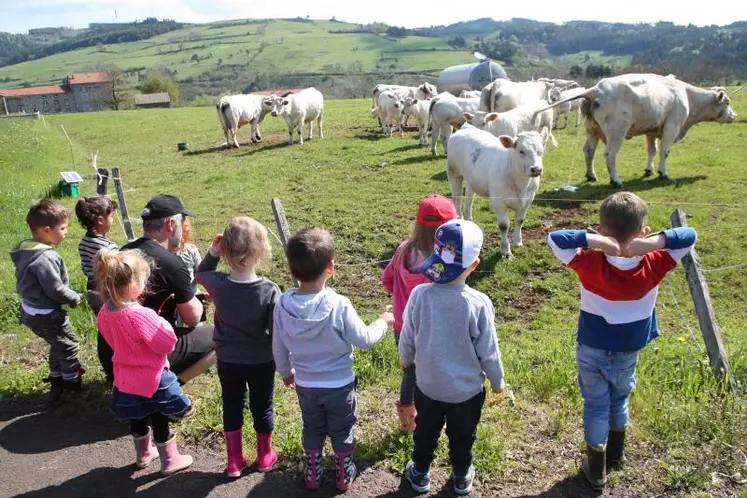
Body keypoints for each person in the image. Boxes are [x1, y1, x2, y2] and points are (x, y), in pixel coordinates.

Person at [547, 191, 697, 490]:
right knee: (619, 399)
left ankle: (597, 467)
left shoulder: (589, 261)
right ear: (643, 230)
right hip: (629, 349)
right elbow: (689, 235)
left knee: (596, 406)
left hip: (591, 346)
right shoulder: (656, 261)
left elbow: (556, 238)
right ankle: (616, 454)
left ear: (601, 229)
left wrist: (599, 242)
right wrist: (651, 243)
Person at [272, 227, 394, 492]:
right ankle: (343, 471)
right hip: (340, 384)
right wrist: (383, 322)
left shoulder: (282, 305)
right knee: (342, 429)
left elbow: (278, 346)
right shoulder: (339, 304)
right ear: (331, 267)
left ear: (292, 270)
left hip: (306, 384)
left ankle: (313, 472)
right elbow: (364, 339)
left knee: (312, 427)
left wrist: (285, 372)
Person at [399, 219, 506, 496]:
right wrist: (497, 381)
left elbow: (408, 334)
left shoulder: (419, 295)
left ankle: (420, 473)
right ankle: (461, 476)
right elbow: (489, 350)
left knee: (426, 432)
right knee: (462, 435)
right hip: (466, 392)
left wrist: (406, 357)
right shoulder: (478, 304)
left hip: (429, 386)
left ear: (436, 255)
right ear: (475, 264)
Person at [94, 248, 194, 476]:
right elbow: (167, 344)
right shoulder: (141, 315)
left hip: (124, 377)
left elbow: (110, 337)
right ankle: (170, 460)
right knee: (159, 416)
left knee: (137, 416)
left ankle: (144, 453)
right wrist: (164, 323)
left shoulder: (104, 312)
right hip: (153, 378)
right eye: (141, 279)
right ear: (131, 286)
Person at [196, 217, 281, 478]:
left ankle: (234, 461)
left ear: (225, 251)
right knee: (262, 406)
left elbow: (200, 273)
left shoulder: (218, 283)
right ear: (263, 250)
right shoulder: (269, 290)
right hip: (261, 360)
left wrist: (211, 253)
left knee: (232, 404)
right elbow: (276, 332)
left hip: (228, 359)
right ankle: (265, 456)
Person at [381, 194, 457, 433]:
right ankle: (430, 418)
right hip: (431, 327)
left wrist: (400, 296)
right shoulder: (442, 261)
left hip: (402, 327)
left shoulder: (403, 250)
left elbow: (387, 280)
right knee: (431, 372)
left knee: (410, 372)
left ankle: (407, 423)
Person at [121, 194, 215, 384]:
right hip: (144, 356)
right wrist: (195, 300)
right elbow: (192, 318)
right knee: (224, 336)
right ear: (171, 224)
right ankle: (170, 388)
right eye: (183, 223)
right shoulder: (172, 264)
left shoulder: (122, 253)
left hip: (114, 356)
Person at [10, 199, 84, 401]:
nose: (66, 232)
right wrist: (74, 298)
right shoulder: (45, 258)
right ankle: (71, 385)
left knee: (57, 343)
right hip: (47, 314)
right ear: (46, 229)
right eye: (63, 228)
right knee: (69, 345)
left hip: (30, 309)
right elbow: (55, 289)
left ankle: (56, 379)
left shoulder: (26, 249)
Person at [74, 195, 118, 383]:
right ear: (100, 220)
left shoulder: (84, 242)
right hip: (108, 291)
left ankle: (109, 369)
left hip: (92, 289)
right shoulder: (108, 247)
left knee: (104, 328)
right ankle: (118, 368)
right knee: (117, 329)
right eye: (111, 215)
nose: (113, 219)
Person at [172, 216, 206, 328]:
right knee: (176, 327)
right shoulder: (164, 253)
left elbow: (201, 274)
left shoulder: (191, 250)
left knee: (197, 327)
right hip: (173, 300)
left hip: (192, 295)